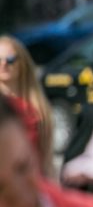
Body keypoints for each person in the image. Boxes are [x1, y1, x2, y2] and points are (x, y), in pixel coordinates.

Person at [0, 34, 53, 170]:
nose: (4, 64)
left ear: (23, 64)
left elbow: (44, 159)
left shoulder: (37, 109)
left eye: (10, 59)